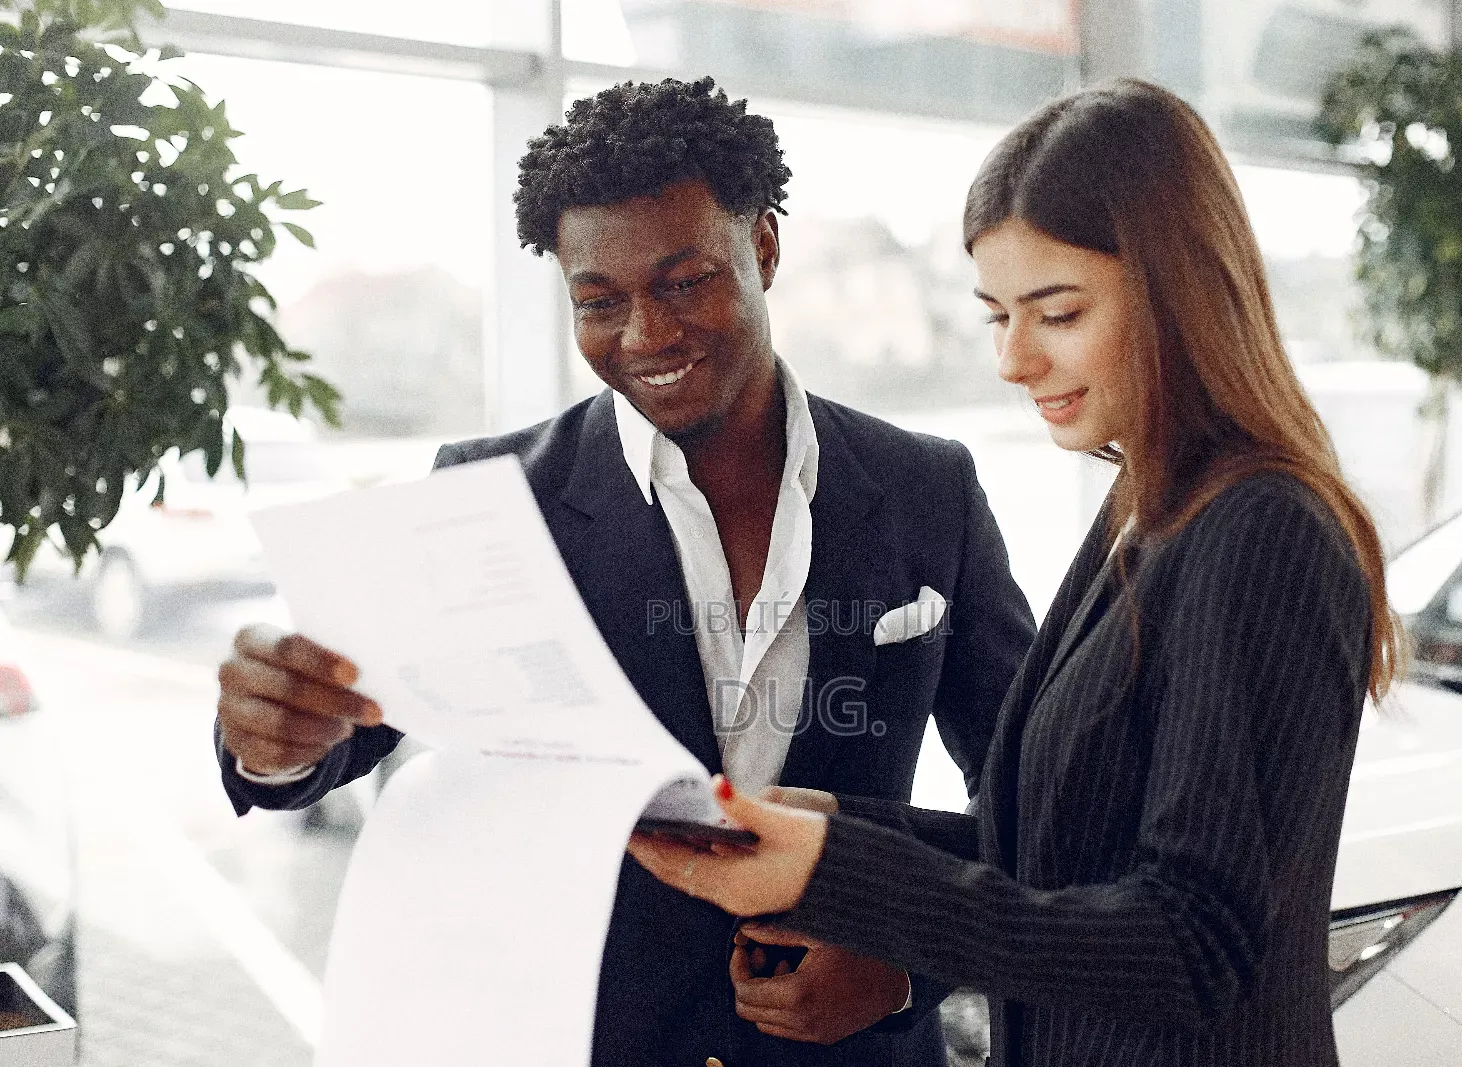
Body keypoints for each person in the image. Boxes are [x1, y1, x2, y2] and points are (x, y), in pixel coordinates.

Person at [212, 77, 1036, 1066]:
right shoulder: (488, 493)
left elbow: (1033, 801)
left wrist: (907, 965)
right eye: (599, 302)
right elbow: (341, 738)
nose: (644, 335)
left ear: (763, 248)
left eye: (684, 281)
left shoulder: (926, 488)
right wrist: (277, 731)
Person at [629, 79, 1406, 1067]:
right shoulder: (1148, 508)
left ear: (1178, 292)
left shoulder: (1260, 529)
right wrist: (828, 826)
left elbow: (1189, 941)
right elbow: (1056, 858)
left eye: (1057, 312)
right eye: (997, 315)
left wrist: (838, 867)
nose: (1012, 358)